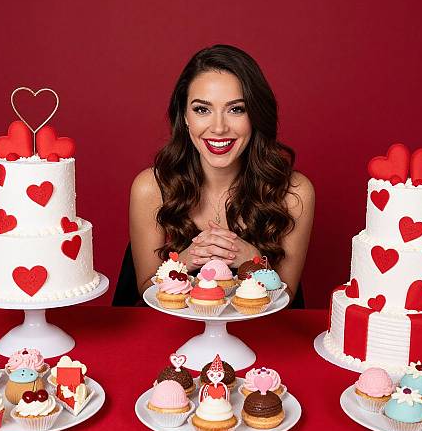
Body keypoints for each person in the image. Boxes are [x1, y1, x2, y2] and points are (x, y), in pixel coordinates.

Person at [127, 44, 314, 305]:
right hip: (172, 340)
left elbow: (288, 297)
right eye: (202, 109)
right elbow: (143, 290)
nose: (218, 127)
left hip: (259, 339)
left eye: (236, 109)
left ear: (255, 115)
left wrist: (252, 260)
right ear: (184, 116)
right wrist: (185, 259)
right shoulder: (151, 187)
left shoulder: (294, 192)